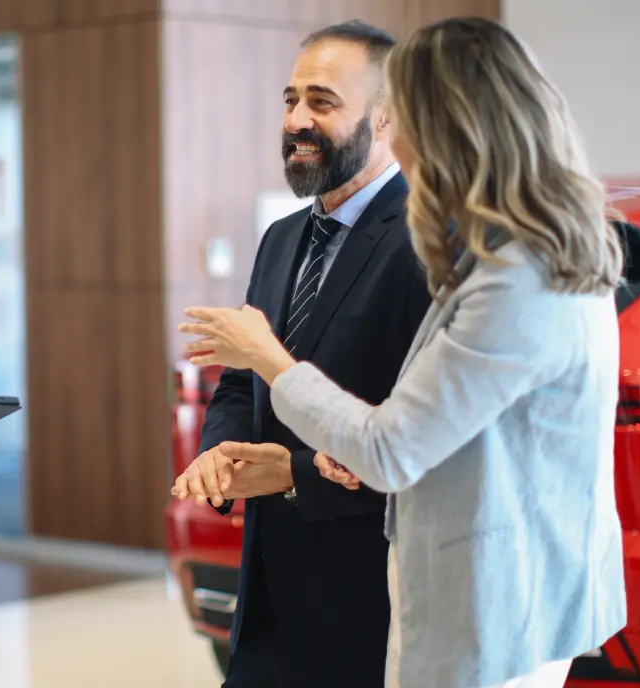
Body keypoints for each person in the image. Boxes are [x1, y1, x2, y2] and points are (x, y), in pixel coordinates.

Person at [178, 17, 627, 688]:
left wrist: (272, 373)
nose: (404, 141)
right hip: (360, 589)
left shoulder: (506, 271)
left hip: (481, 601)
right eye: (290, 98)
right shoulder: (512, 254)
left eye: (324, 101)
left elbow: (392, 445)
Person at [172, 21, 431, 687]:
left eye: (321, 102)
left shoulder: (425, 242)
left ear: (384, 116)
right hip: (265, 591)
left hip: (366, 596)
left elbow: (414, 430)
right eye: (289, 101)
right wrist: (221, 451)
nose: (296, 120)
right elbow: (241, 378)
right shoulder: (281, 238)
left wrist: (291, 472)